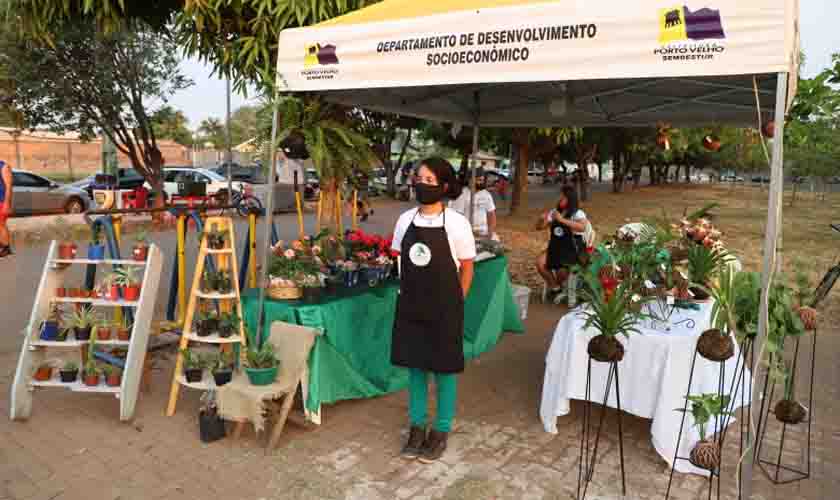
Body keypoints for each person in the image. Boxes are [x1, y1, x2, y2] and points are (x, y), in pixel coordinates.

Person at [391, 157, 476, 463]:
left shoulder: (457, 224)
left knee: (444, 371)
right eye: (419, 179)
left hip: (444, 308)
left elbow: (467, 268)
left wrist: (458, 301)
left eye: (430, 181)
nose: (422, 185)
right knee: (415, 368)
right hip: (412, 305)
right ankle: (416, 427)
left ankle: (440, 431)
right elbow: (398, 256)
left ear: (444, 186)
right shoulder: (404, 221)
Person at [535, 185, 589, 303]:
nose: (560, 199)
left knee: (562, 271)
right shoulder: (555, 212)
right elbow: (539, 227)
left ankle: (565, 289)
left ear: (570, 200)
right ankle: (555, 287)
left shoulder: (578, 213)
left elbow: (582, 227)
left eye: (563, 197)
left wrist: (562, 220)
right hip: (555, 247)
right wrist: (541, 220)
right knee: (540, 264)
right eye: (561, 197)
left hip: (573, 248)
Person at [448, 170, 498, 240]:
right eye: (479, 180)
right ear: (470, 180)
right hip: (465, 232)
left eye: (482, 180)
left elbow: (491, 214)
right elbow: (457, 218)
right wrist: (470, 232)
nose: (481, 182)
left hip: (484, 231)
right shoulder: (461, 194)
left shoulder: (486, 194)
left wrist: (490, 232)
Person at [0, 160, 12, 257]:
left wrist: (7, 203)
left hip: (1, 201)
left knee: (1, 224)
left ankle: (6, 247)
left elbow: (8, 187)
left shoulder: (4, 166)